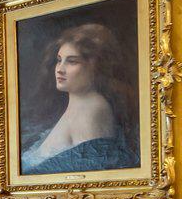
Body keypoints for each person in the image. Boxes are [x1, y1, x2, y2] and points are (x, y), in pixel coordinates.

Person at [20, 20, 138, 175]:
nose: (60, 69)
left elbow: (91, 175)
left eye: (72, 61)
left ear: (95, 66)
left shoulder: (92, 108)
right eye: (59, 60)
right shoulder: (79, 104)